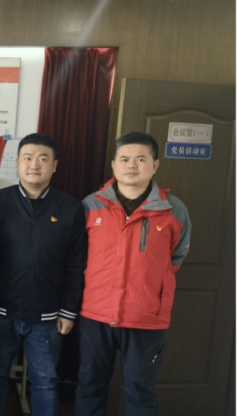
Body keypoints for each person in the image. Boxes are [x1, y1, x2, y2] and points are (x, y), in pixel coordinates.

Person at [75, 132, 191, 416]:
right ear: (114, 165)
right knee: (89, 385)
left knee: (140, 391)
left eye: (141, 159)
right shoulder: (91, 205)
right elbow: (77, 256)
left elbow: (176, 256)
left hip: (146, 318)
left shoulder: (173, 209)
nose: (131, 165)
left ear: (155, 165)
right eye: (125, 159)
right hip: (95, 315)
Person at [0, 134, 87, 416]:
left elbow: (76, 263)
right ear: (17, 163)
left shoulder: (71, 208)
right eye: (27, 158)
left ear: (55, 165)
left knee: (45, 382)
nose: (34, 165)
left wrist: (69, 310)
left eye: (42, 159)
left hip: (48, 316)